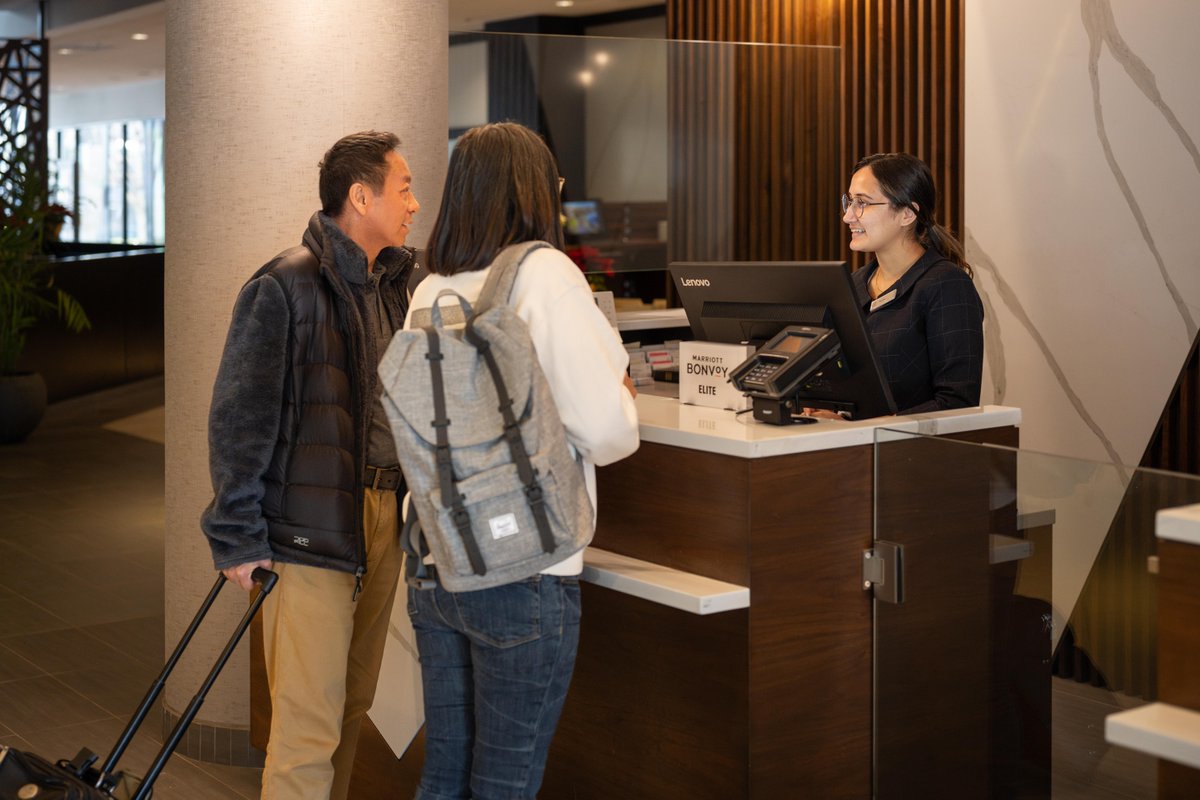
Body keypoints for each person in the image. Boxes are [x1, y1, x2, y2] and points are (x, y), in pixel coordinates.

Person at [402, 121, 640, 800]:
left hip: (436, 559)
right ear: (534, 190)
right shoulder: (545, 273)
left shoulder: (430, 286)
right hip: (524, 568)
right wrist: (623, 397)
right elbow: (606, 431)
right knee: (504, 781)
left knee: (444, 773)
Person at [200, 130, 420, 800]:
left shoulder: (396, 287)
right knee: (306, 726)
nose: (414, 204)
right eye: (404, 188)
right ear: (362, 196)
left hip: (383, 516)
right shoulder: (284, 284)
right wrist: (237, 536)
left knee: (352, 707)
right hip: (308, 528)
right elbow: (239, 418)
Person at [835, 151, 984, 415]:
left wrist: (858, 423)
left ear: (907, 214)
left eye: (863, 203)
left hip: (911, 442)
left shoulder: (947, 286)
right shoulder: (854, 284)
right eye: (849, 202)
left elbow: (957, 403)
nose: (848, 216)